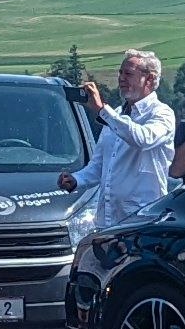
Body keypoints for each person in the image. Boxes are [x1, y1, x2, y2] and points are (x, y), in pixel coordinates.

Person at [58, 49, 178, 222]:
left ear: (149, 79)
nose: (121, 78)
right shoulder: (116, 115)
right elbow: (99, 166)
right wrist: (76, 179)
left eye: (128, 74)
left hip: (142, 220)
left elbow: (142, 139)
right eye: (120, 73)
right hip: (108, 220)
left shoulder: (162, 113)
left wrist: (102, 111)